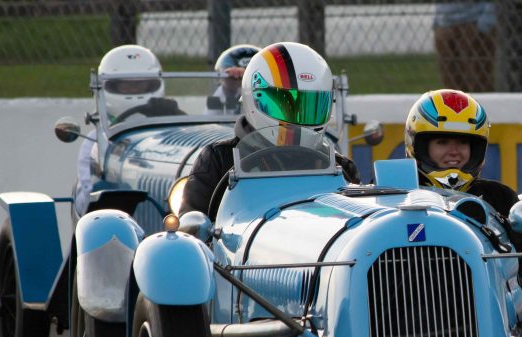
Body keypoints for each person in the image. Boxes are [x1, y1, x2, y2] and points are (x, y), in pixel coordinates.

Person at [182, 42, 360, 217]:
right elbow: (193, 232)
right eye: (284, 105)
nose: (298, 118)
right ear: (254, 98)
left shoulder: (340, 168)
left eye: (310, 106)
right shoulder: (219, 160)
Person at [404, 89, 522, 314]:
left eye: (463, 143)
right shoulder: (392, 192)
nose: (454, 152)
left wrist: (509, 304)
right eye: (442, 141)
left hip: (489, 316)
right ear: (419, 145)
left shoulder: (501, 197)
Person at [74, 45, 181, 214]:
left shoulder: (173, 132)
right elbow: (84, 203)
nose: (134, 91)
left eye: (141, 86)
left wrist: (228, 88)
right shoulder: (96, 140)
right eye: (125, 86)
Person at [432, 2, 497, 92]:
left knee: (478, 83)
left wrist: (485, 23)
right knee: (450, 87)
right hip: (444, 24)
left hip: (473, 21)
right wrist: (437, 22)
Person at [205, 44, 261, 114]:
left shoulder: (269, 97)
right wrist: (228, 90)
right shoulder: (222, 94)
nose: (237, 83)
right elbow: (210, 119)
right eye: (232, 79)